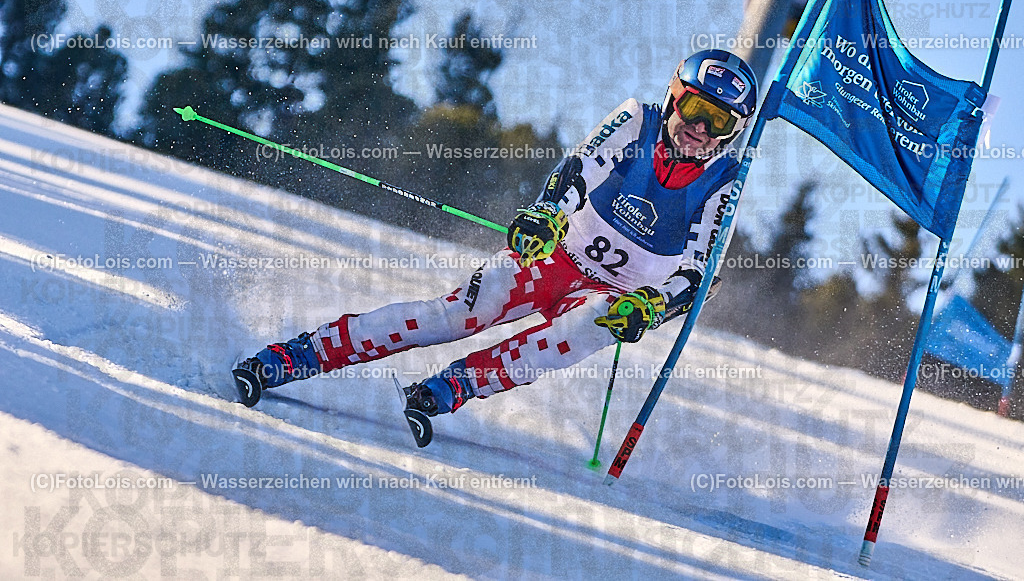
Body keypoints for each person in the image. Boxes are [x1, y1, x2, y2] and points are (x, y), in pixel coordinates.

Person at [233, 49, 758, 433]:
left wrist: (651, 307)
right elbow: (580, 166)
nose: (700, 130)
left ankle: (454, 385)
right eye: (695, 109)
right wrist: (548, 215)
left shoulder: (723, 182)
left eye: (720, 122)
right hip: (556, 256)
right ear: (674, 97)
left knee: (585, 329)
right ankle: (302, 353)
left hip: (609, 295)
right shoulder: (638, 121)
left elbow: (699, 272)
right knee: (457, 315)